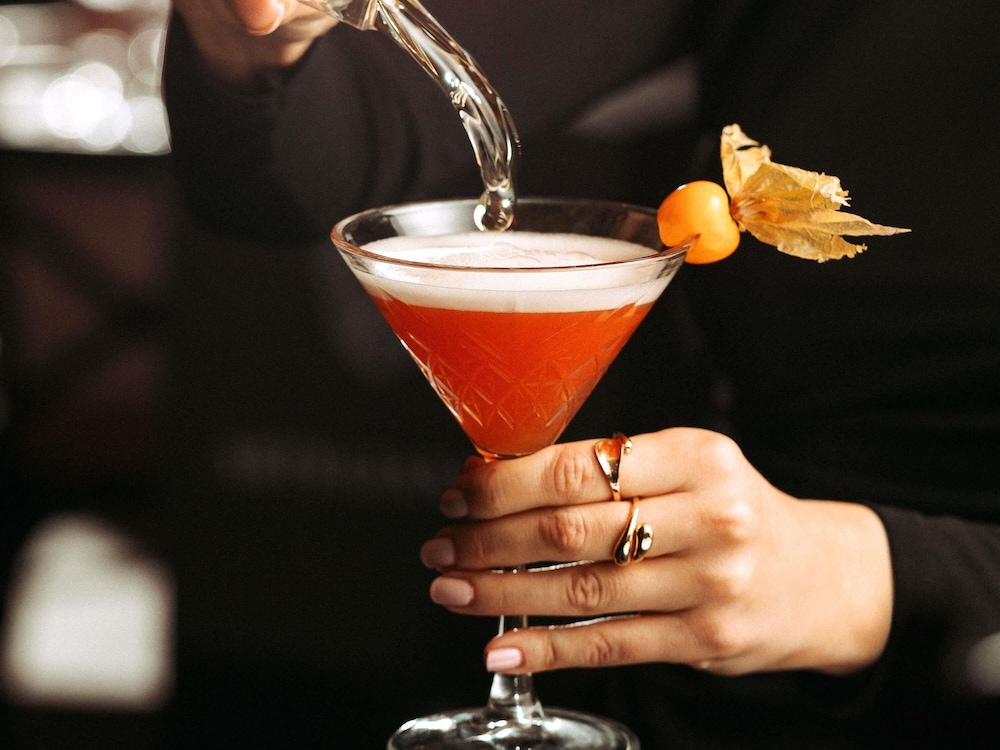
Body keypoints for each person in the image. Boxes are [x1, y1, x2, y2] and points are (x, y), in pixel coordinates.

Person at [163, 0, 1000, 747]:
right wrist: (247, 39)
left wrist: (876, 579)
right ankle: (512, 708)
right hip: (690, 687)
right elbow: (313, 151)